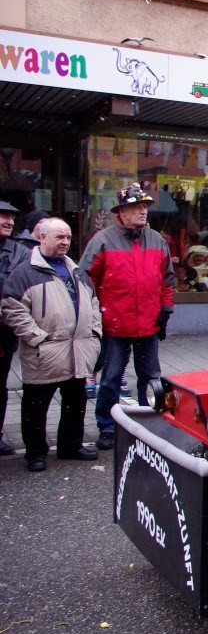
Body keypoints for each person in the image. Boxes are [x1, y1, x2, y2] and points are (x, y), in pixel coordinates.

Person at [80, 183, 175, 451]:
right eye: (137, 206)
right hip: (113, 324)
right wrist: (94, 317)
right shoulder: (102, 241)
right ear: (121, 211)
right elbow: (86, 281)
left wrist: (165, 310)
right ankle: (107, 427)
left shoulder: (157, 239)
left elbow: (167, 280)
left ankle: (149, 422)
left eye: (145, 206)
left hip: (148, 322)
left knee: (151, 377)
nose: (144, 211)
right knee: (110, 378)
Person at [2, 218, 101, 471]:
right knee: (36, 406)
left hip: (77, 349)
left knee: (75, 401)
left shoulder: (76, 270)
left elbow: (93, 303)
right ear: (42, 238)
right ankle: (35, 453)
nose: (65, 242)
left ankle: (71, 446)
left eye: (68, 237)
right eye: (59, 237)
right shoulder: (25, 272)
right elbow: (13, 309)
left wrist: (94, 334)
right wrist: (38, 338)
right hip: (44, 351)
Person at [0, 200, 29, 456]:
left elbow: (21, 288)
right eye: (3, 217)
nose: (9, 222)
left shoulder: (20, 252)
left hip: (3, 330)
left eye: (11, 217)